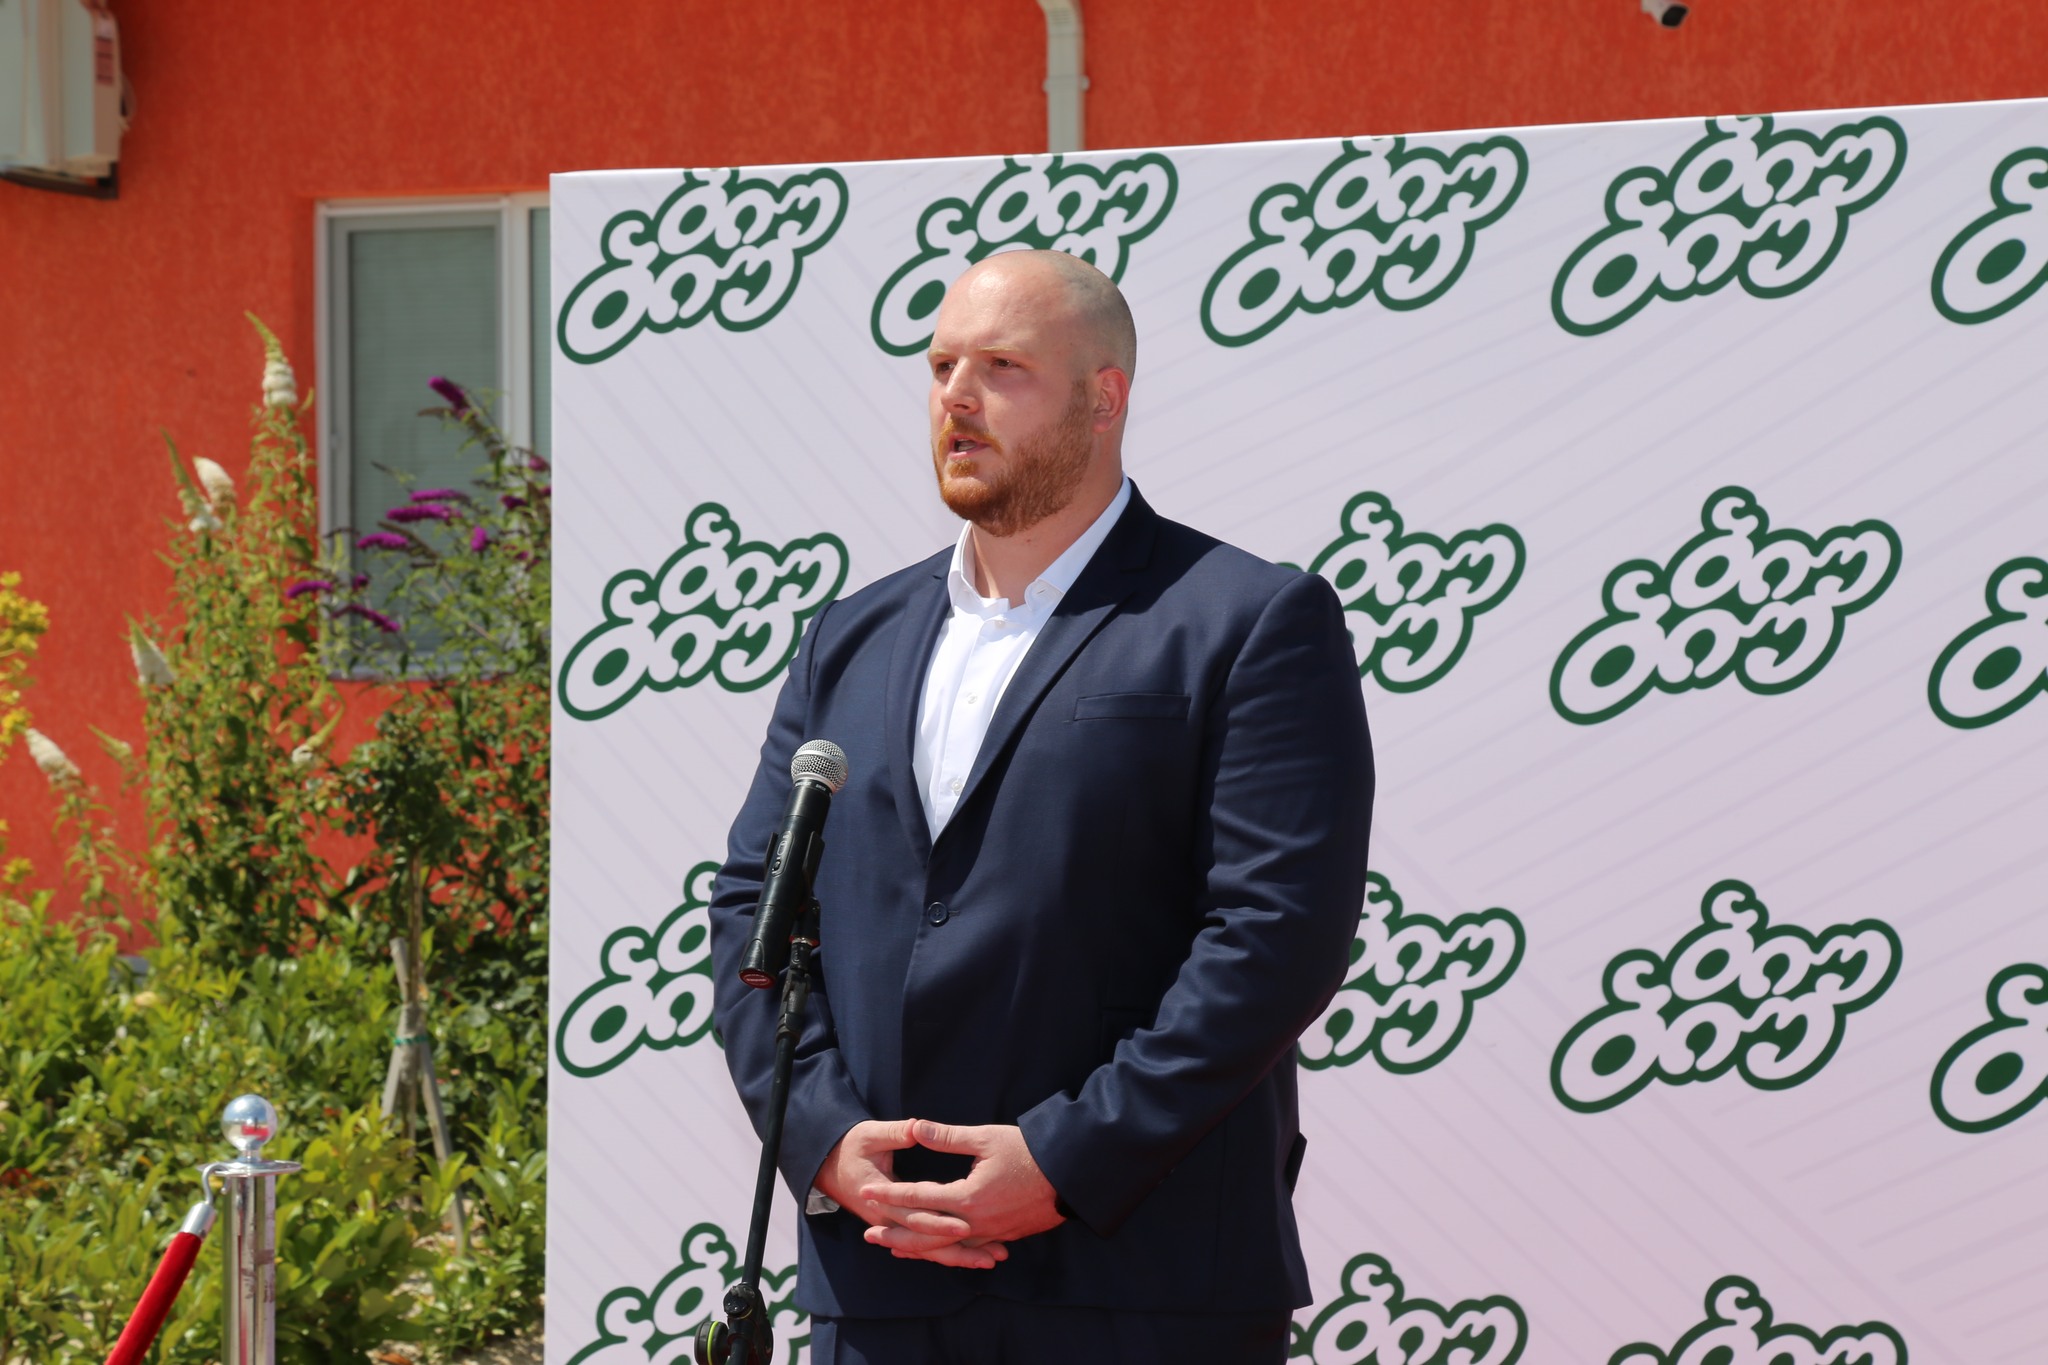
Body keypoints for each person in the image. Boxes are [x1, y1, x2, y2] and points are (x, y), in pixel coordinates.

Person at [708, 249, 1373, 1364]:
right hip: (881, 1281)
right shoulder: (848, 639)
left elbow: (1275, 937)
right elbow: (753, 909)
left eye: (1001, 367)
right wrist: (824, 1138)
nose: (956, 399)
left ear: (1103, 398)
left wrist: (1066, 1158)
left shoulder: (1247, 621)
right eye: (940, 368)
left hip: (1144, 1286)